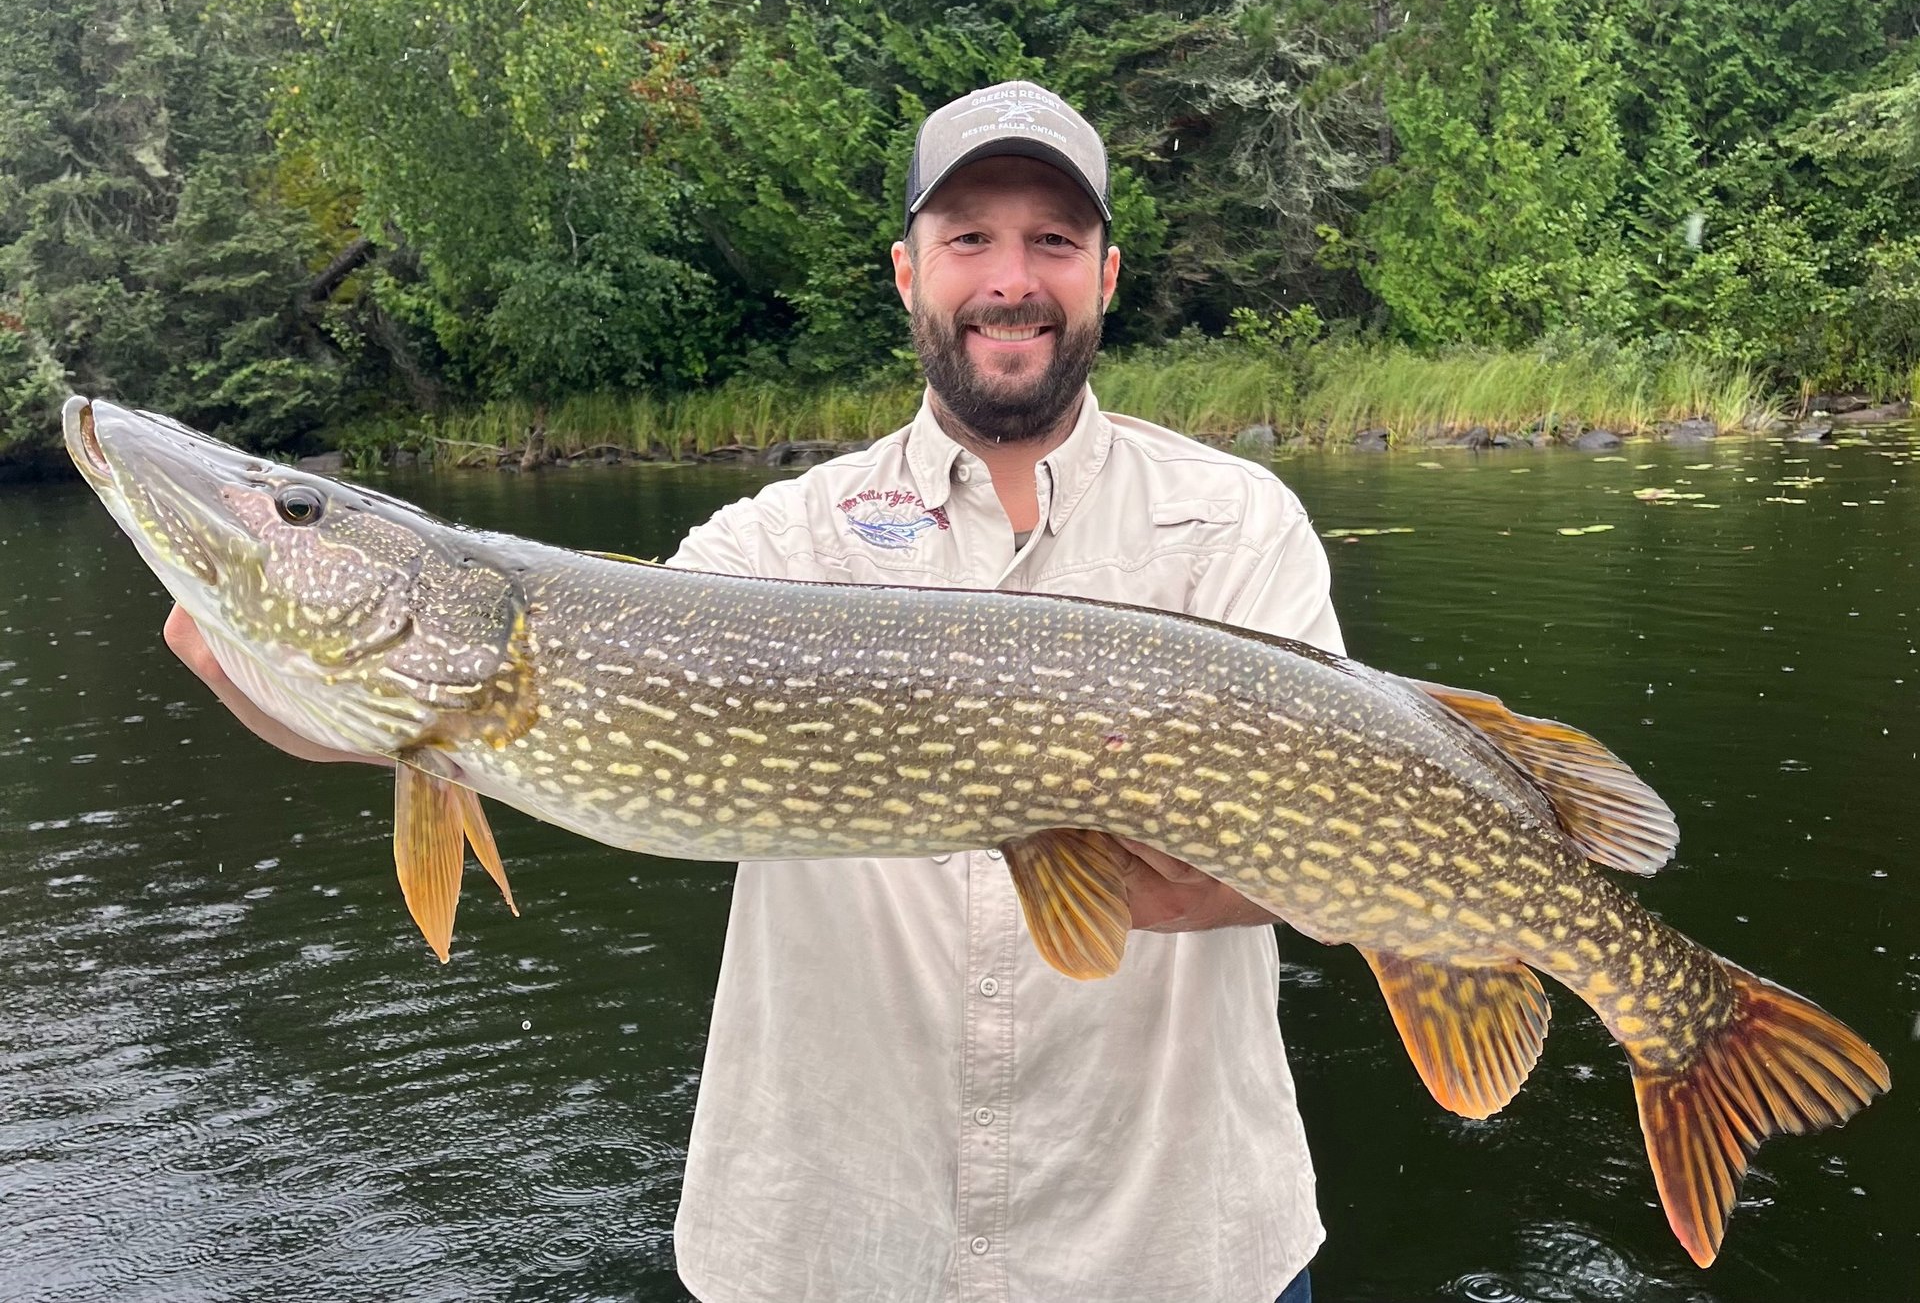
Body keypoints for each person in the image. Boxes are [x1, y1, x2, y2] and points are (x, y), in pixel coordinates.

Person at [164, 80, 1343, 1303]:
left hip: (1170, 1250)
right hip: (835, 1249)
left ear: (1105, 274)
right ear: (906, 271)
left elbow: (1298, 855)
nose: (1010, 278)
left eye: (1052, 239)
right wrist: (278, 659)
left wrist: (1250, 871)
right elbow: (480, 705)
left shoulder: (1237, 522)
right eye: (969, 238)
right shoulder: (779, 538)